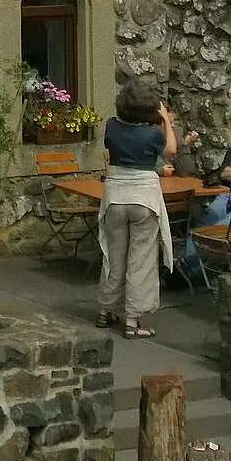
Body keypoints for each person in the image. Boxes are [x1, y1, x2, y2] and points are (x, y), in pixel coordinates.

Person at [98, 80, 177, 337]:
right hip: (144, 197)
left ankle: (106, 310)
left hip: (115, 196)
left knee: (113, 256)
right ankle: (132, 321)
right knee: (140, 260)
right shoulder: (153, 134)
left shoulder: (111, 126)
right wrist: (165, 120)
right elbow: (171, 151)